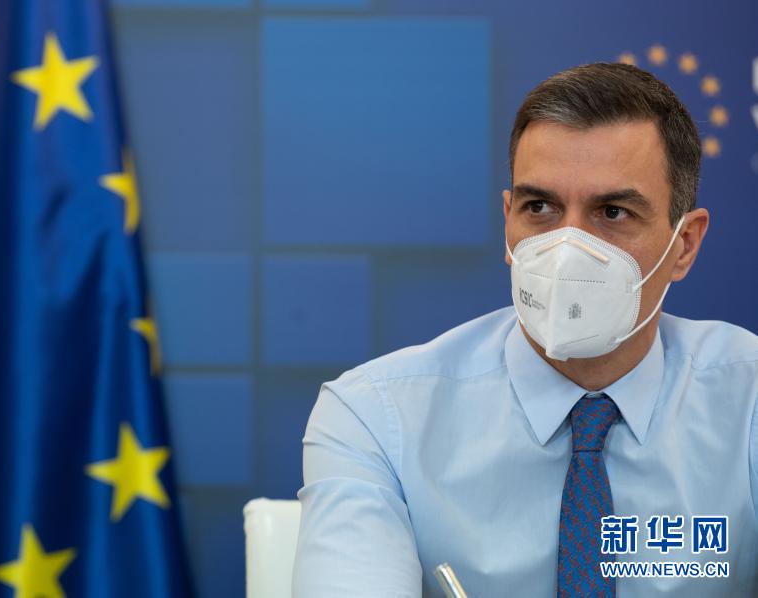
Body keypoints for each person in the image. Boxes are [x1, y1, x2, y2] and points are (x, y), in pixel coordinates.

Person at [291, 62, 758, 597]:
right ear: (507, 219)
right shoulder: (379, 418)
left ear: (685, 244)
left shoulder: (747, 401)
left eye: (612, 212)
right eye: (540, 207)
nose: (568, 248)